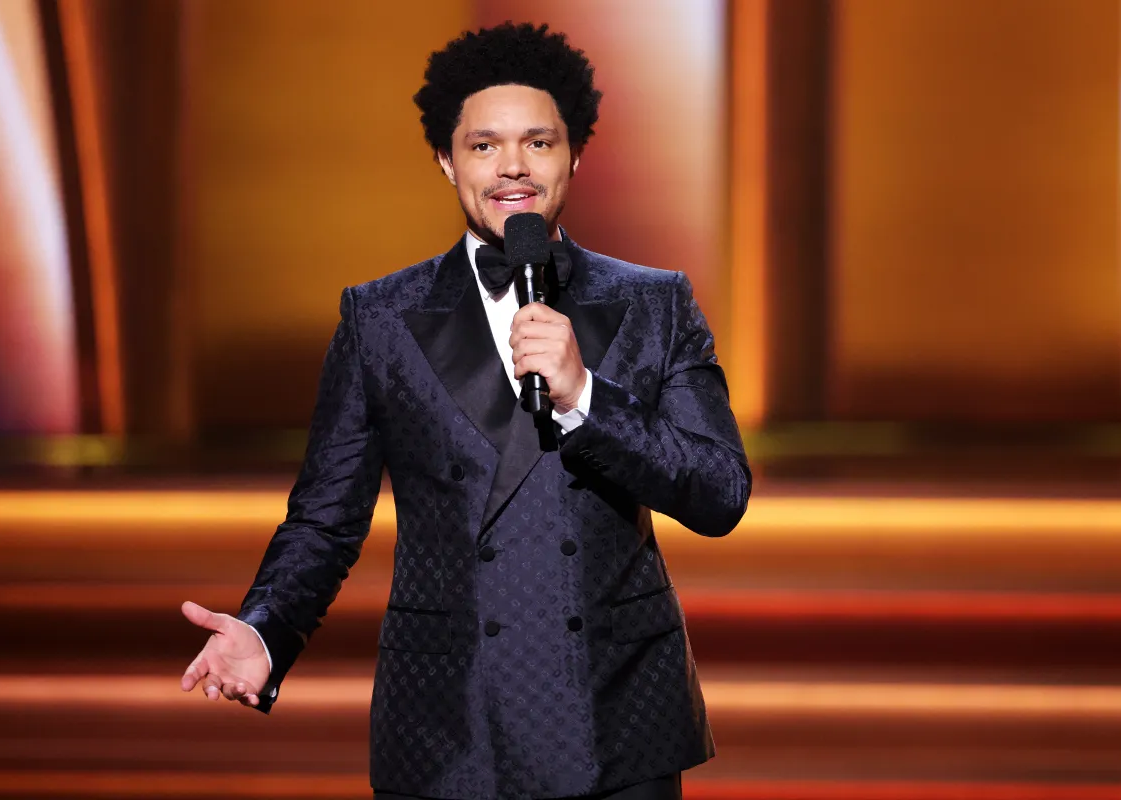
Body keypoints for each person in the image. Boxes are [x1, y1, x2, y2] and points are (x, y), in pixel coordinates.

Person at [179, 21, 751, 800]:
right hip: (452, 722)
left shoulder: (654, 303)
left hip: (617, 721)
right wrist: (265, 629)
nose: (512, 166)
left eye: (538, 143)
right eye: (484, 146)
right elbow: (326, 517)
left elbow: (719, 492)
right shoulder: (379, 318)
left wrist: (587, 396)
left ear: (576, 153)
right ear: (446, 160)